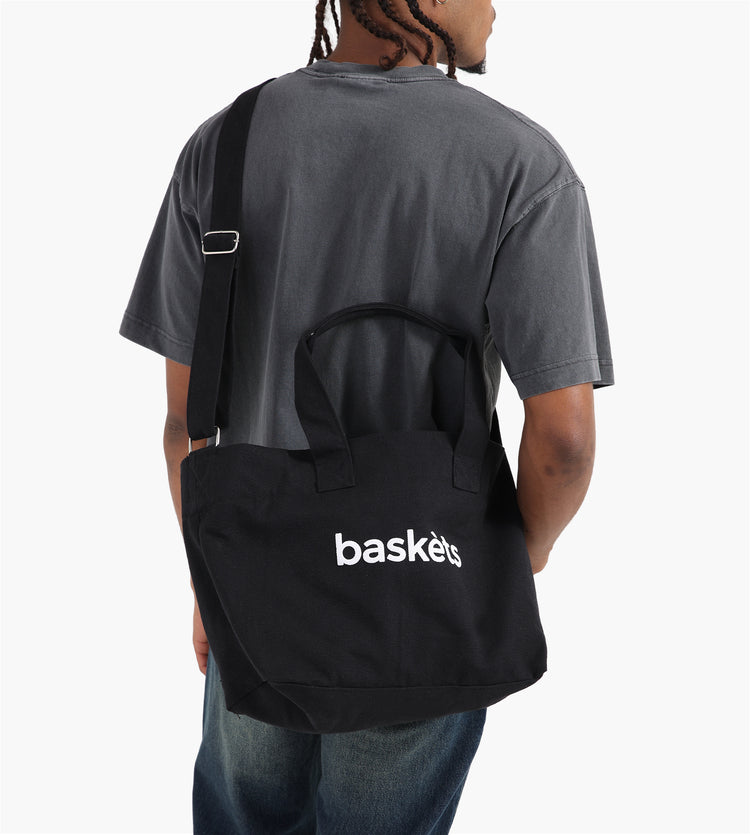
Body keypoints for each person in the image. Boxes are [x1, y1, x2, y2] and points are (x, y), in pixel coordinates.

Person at [118, 0, 615, 831]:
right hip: (426, 591)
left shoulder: (224, 144)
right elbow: (563, 440)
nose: (498, 6)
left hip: (258, 594)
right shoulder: (523, 165)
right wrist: (505, 564)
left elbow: (185, 422)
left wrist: (214, 581)